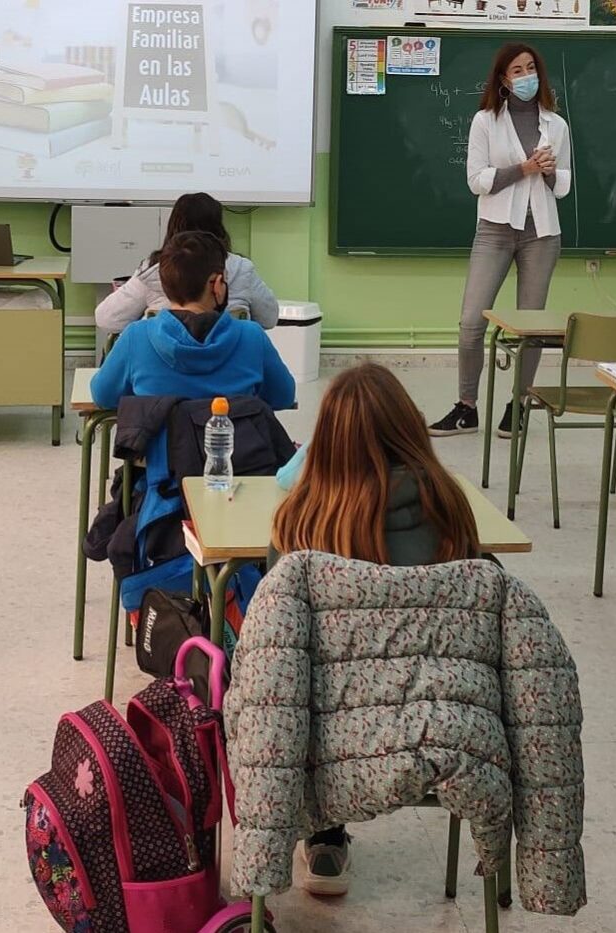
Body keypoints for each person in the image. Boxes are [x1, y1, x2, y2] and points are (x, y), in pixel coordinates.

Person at [268, 362, 483, 897]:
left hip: (328, 733)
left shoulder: (298, 522)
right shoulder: (452, 511)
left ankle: (324, 836)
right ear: (410, 427)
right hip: (438, 722)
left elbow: (278, 647)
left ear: (323, 444)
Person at [433, 41, 572, 439]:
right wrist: (523, 168)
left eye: (531, 68)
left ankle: (519, 404)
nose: (527, 76)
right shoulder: (485, 121)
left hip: (541, 233)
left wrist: (548, 171)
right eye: (517, 70)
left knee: (531, 326)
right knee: (471, 322)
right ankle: (467, 406)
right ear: (503, 80)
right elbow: (476, 180)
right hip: (494, 230)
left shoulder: (556, 125)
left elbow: (563, 186)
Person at [90, 230, 295, 410]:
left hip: (164, 445)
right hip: (235, 443)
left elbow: (103, 396)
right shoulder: (251, 337)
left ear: (164, 283)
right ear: (217, 284)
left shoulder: (136, 337)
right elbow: (283, 397)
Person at [93, 192, 279, 334]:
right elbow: (269, 318)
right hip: (232, 368)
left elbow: (107, 319)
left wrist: (142, 330)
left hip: (163, 369)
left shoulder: (155, 270)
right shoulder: (242, 269)